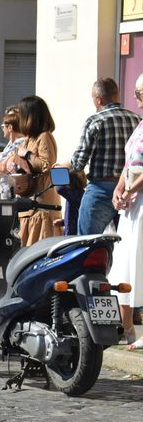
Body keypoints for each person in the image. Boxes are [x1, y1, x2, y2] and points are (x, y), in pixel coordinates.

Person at [60, 78, 142, 235]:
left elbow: (79, 162)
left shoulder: (94, 121)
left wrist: (66, 165)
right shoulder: (137, 119)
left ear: (98, 99)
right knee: (124, 243)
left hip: (101, 189)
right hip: (130, 189)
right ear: (117, 95)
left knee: (86, 242)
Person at [0, 96, 61, 246]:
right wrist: (14, 163)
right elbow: (22, 159)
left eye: (22, 113)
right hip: (29, 201)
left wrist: (26, 154)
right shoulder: (29, 139)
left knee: (39, 247)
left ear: (31, 115)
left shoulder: (44, 137)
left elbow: (47, 165)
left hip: (42, 204)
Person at [110, 73, 143, 349]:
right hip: (132, 205)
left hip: (140, 201)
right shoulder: (139, 126)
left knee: (139, 262)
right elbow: (127, 163)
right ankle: (127, 327)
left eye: (140, 93)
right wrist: (119, 189)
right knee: (126, 264)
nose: (137, 99)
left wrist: (131, 188)